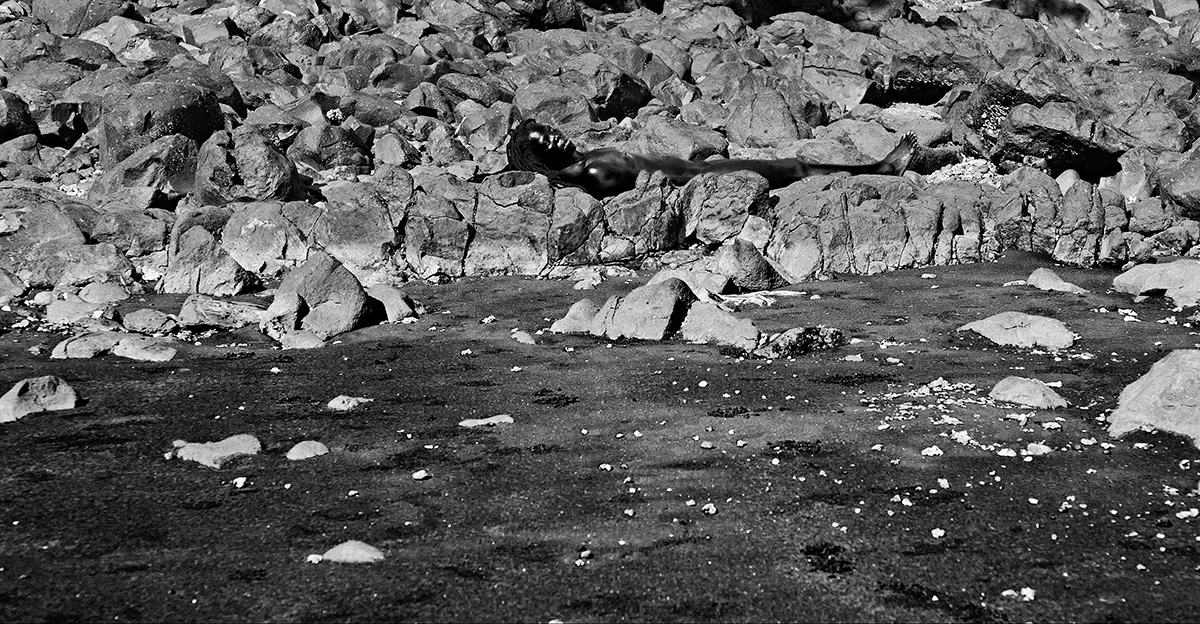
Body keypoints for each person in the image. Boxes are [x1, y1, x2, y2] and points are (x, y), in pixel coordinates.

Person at [506, 118, 917, 198]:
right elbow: (649, 191)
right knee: (797, 167)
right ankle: (882, 169)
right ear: (541, 157)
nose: (557, 141)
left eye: (552, 132)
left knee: (796, 166)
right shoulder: (592, 171)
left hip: (706, 171)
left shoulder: (587, 157)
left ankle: (879, 168)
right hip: (704, 180)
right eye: (547, 144)